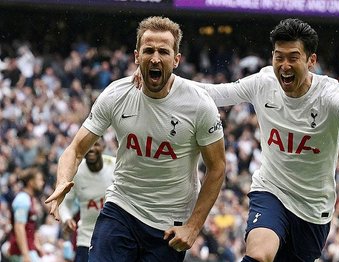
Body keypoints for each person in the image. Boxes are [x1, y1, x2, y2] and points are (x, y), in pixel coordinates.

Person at [135, 18, 339, 261]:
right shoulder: (263, 83)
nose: (284, 66)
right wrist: (166, 79)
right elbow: (215, 94)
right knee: (259, 254)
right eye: (279, 57)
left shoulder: (331, 96)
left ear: (311, 60)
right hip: (271, 190)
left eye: (293, 58)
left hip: (313, 209)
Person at [45, 16, 226, 262]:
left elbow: (217, 168)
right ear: (136, 57)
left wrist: (193, 227)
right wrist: (62, 182)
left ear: (176, 59)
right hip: (122, 207)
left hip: (168, 225)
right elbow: (76, 149)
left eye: (163, 51)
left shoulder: (199, 104)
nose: (154, 58)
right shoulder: (116, 94)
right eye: (148, 50)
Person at [59, 138, 116, 262]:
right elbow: (64, 202)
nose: (91, 148)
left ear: (104, 146)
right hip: (86, 238)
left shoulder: (115, 166)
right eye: (87, 145)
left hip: (113, 236)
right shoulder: (75, 172)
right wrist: (67, 218)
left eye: (95, 144)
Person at [8, 168, 45, 262]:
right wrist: (25, 255)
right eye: (39, 180)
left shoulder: (29, 199)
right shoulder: (22, 199)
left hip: (29, 249)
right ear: (31, 182)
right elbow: (19, 227)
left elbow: (30, 227)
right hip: (20, 252)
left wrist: (37, 246)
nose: (42, 183)